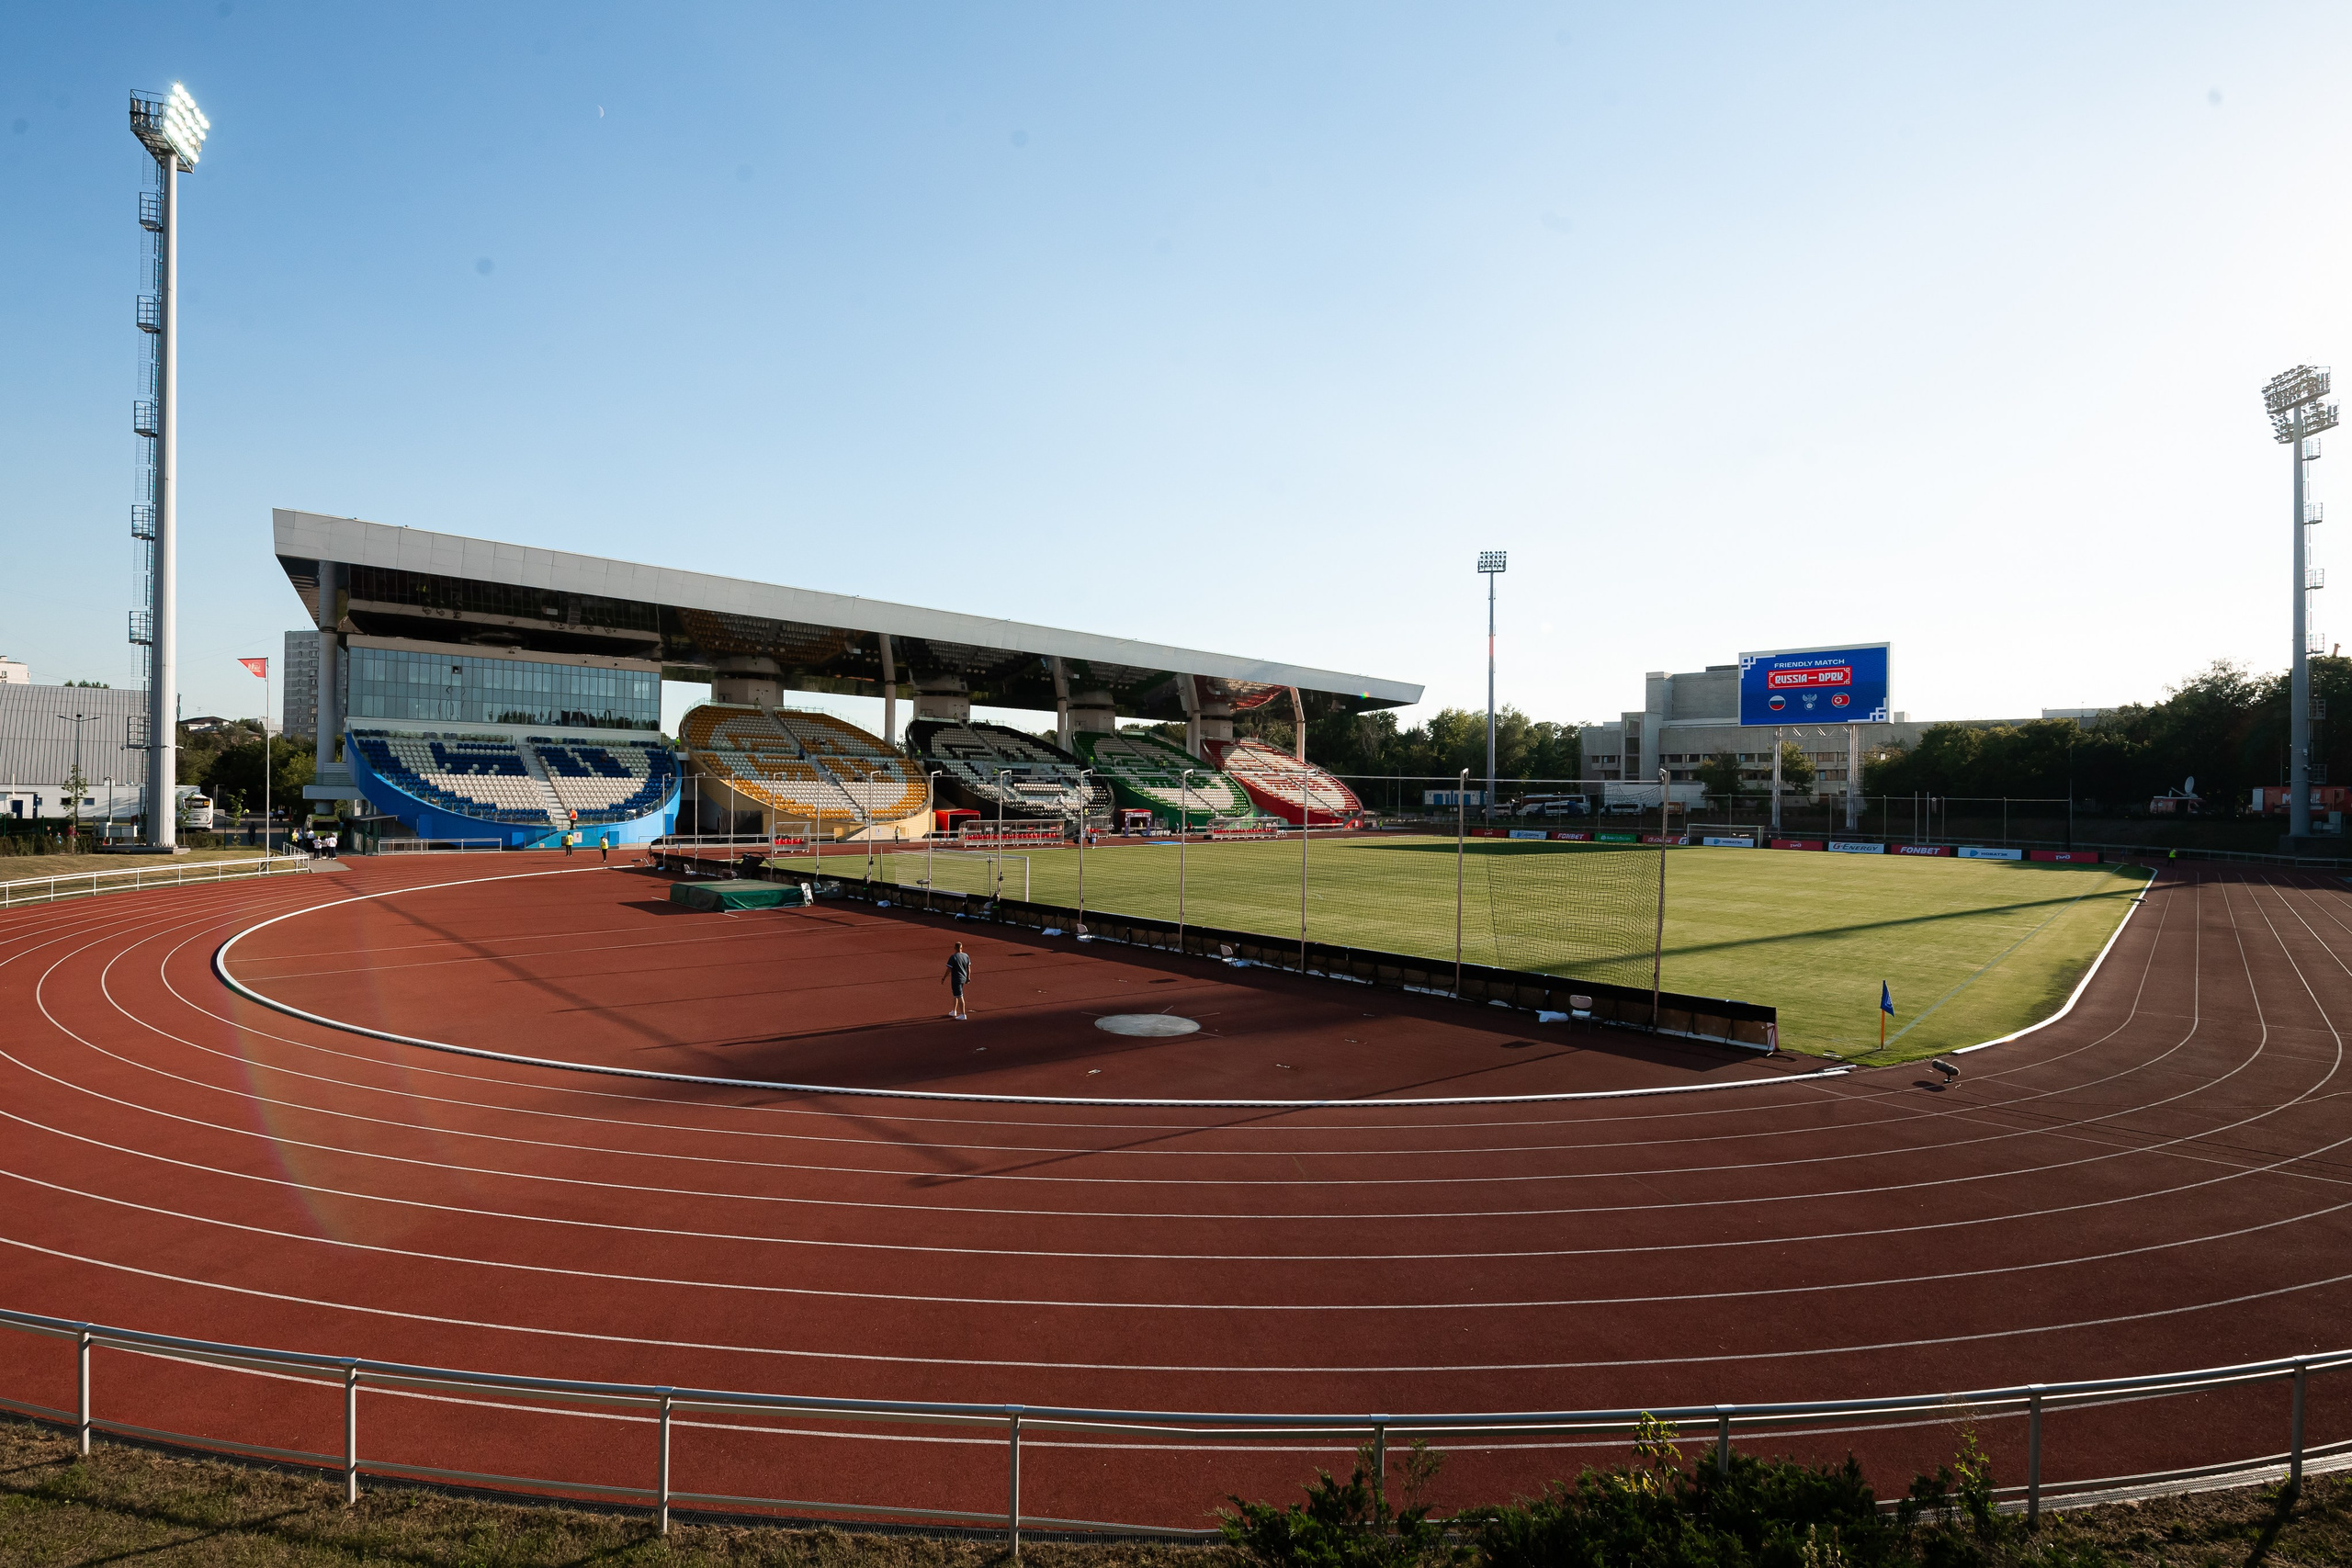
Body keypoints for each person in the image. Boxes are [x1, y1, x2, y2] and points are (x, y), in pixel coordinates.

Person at [943, 942, 971, 1020]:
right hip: (963, 978)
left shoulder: (953, 957)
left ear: (955, 948)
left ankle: (963, 1014)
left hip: (956, 979)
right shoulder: (966, 956)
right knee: (956, 994)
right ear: (961, 948)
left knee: (959, 996)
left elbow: (949, 969)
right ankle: (954, 1011)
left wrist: (944, 978)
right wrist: (968, 977)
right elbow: (968, 968)